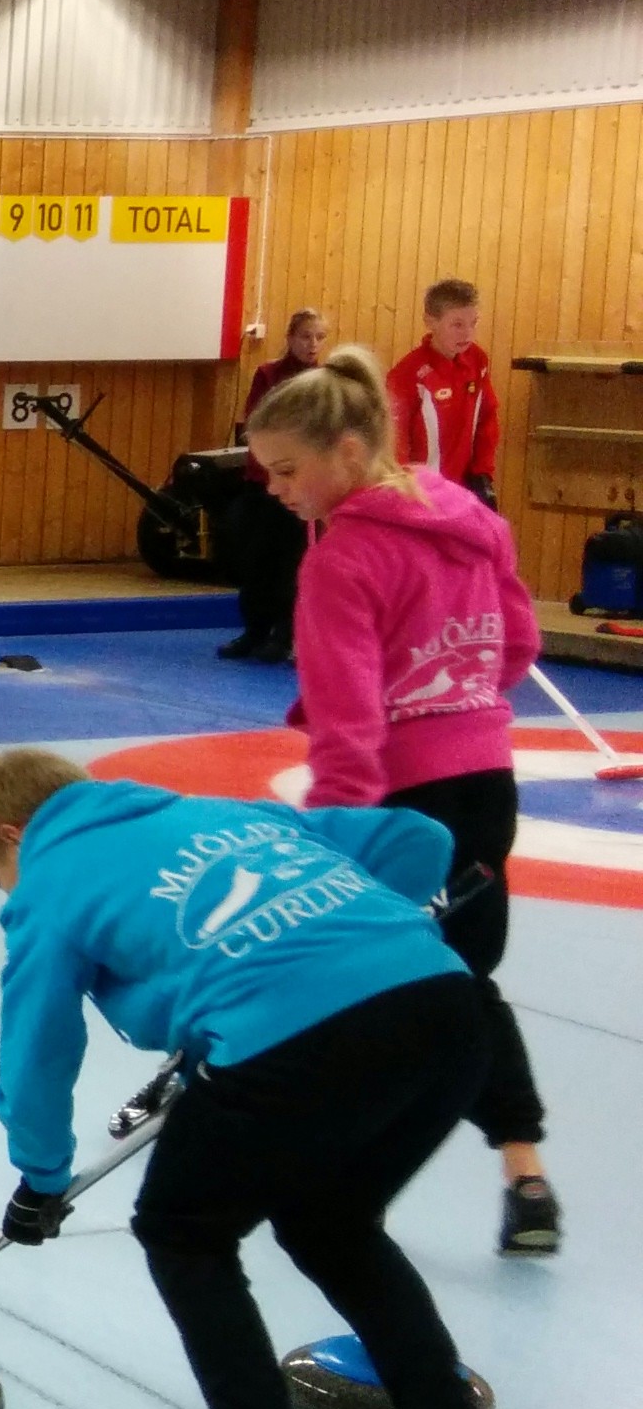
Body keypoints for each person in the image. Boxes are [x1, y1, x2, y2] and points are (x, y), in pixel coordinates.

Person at [0, 748, 545, 1409]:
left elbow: (38, 1051)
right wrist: (352, 935)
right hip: (445, 1015)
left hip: (295, 1046)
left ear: (15, 834)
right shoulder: (222, 814)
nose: (6, 894)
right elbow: (418, 839)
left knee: (184, 1233)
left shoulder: (49, 884)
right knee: (335, 1227)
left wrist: (41, 1178)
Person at [249, 346, 558, 1254]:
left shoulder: (342, 560)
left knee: (372, 987)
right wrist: (460, 701)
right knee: (463, 980)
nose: (275, 490)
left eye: (286, 470)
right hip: (486, 783)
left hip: (403, 801)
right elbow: (518, 644)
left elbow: (349, 724)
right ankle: (526, 1177)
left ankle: (347, 1178)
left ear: (347, 453)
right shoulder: (469, 519)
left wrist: (334, 837)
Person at [218, 307, 327, 663]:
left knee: (293, 565)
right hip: (264, 483)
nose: (312, 344)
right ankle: (254, 631)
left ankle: (284, 635)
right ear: (290, 338)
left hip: (304, 488)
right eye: (305, 337)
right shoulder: (268, 374)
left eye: (319, 338)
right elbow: (257, 423)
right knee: (257, 560)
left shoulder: (324, 381)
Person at [387, 279, 500, 506]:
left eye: (474, 323)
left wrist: (482, 472)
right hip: (423, 493)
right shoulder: (408, 374)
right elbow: (395, 437)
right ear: (431, 322)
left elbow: (487, 418)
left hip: (463, 489)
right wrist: (403, 488)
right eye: (457, 325)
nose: (467, 333)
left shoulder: (477, 360)